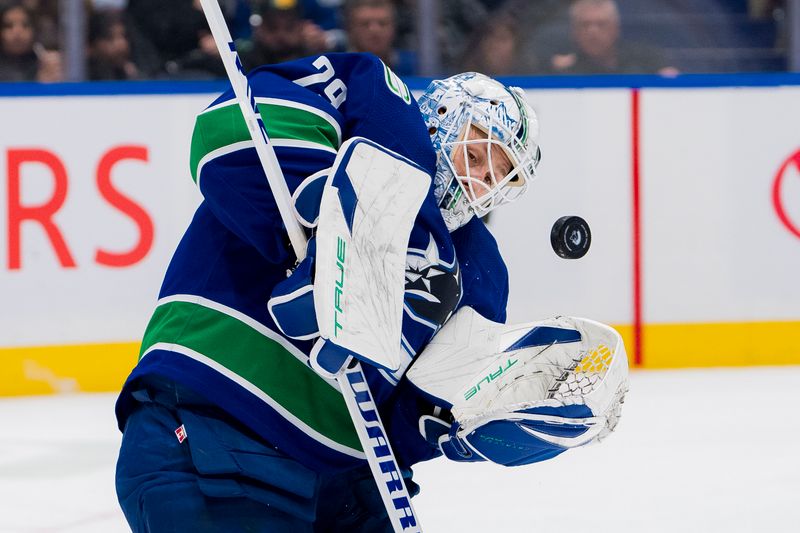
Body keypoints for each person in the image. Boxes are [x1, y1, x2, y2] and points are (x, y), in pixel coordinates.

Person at [113, 48, 544, 531]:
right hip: (217, 429)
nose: (479, 180)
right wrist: (329, 218)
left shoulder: (478, 271)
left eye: (496, 176)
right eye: (478, 151)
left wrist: (470, 421)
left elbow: (413, 422)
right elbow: (228, 133)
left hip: (352, 490)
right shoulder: (377, 115)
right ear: (443, 117)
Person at [550, 0, 679, 76]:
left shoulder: (647, 60)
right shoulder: (565, 72)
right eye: (585, 25)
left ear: (615, 28)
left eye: (601, 24)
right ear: (574, 31)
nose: (592, 32)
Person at [343, 0, 416, 76]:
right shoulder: (338, 67)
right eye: (365, 24)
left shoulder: (418, 65)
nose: (375, 30)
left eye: (383, 23)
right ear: (350, 30)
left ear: (394, 28)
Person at [0, 1, 61, 82]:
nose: (17, 32)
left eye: (25, 25)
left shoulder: (45, 65)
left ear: (34, 30)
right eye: (9, 26)